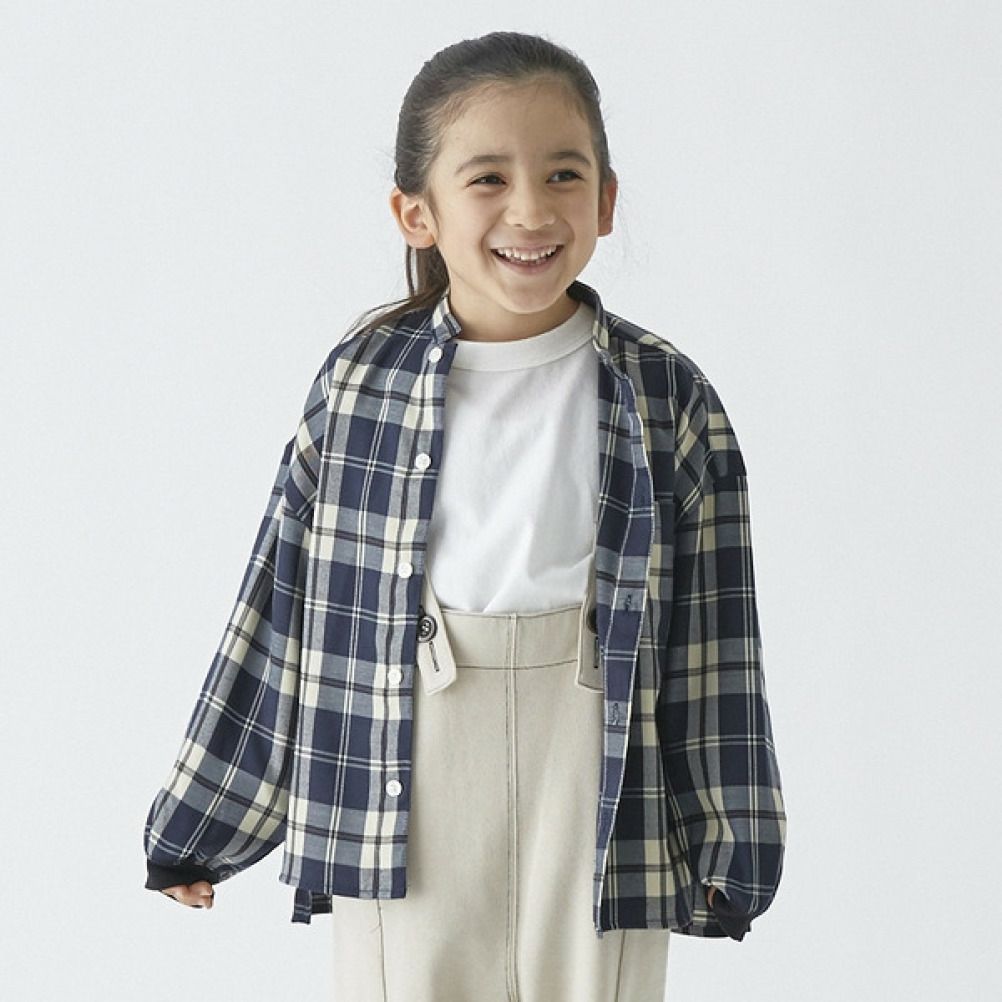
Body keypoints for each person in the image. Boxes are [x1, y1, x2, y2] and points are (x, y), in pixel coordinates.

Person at [143, 29, 787, 1002]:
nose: (531, 208)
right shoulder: (361, 386)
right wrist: (200, 826)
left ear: (606, 201)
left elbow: (716, 639)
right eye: (488, 178)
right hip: (403, 764)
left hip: (599, 769)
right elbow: (282, 611)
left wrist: (731, 844)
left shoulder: (668, 395)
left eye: (564, 173)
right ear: (417, 213)